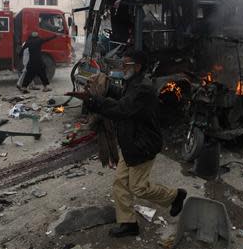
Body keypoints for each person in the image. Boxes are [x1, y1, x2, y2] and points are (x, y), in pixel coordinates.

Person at [67, 50, 187, 238]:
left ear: (137, 67)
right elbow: (123, 97)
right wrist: (106, 88)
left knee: (138, 187)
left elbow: (122, 108)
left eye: (126, 65)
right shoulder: (133, 83)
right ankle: (129, 224)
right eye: (122, 64)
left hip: (143, 145)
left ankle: (175, 196)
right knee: (120, 184)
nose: (122, 67)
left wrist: (92, 100)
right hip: (130, 143)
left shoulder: (144, 89)